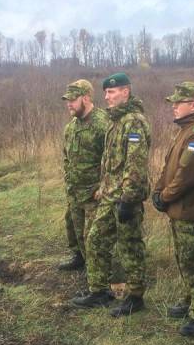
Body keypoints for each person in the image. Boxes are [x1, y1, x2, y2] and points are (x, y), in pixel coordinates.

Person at [70, 73, 151, 317]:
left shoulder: (133, 122)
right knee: (95, 240)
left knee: (130, 246)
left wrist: (128, 198)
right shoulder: (115, 121)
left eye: (112, 92)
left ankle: (135, 297)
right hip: (109, 196)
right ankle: (100, 291)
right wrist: (104, 187)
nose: (107, 96)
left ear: (125, 92)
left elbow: (135, 164)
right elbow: (110, 162)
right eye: (105, 92)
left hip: (125, 199)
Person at [152, 82, 194, 336]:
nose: (174, 107)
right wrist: (158, 191)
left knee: (193, 264)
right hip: (178, 210)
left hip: (189, 211)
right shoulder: (184, 132)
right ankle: (190, 302)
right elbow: (170, 167)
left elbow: (187, 176)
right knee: (183, 259)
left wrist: (164, 197)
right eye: (173, 103)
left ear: (193, 105)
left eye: (178, 103)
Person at [57, 79, 109, 272]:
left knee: (93, 237)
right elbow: (66, 157)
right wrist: (68, 180)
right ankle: (80, 258)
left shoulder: (102, 124)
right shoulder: (71, 127)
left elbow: (112, 159)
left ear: (86, 98)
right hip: (75, 191)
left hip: (93, 194)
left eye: (73, 99)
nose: (69, 103)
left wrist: (103, 187)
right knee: (74, 228)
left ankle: (99, 275)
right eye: (67, 99)